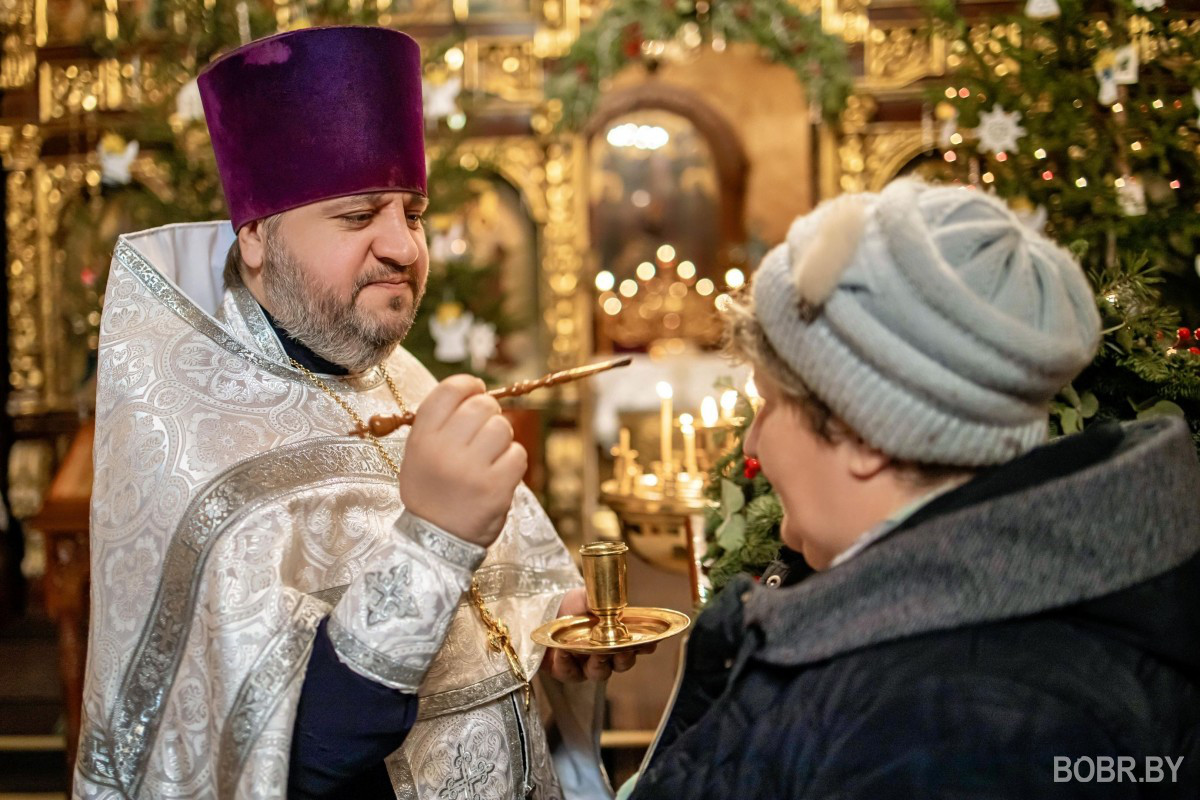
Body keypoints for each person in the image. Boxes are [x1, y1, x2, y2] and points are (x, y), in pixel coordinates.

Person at [77, 26, 637, 800]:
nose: (404, 246)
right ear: (255, 240)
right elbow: (294, 760)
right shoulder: (199, 449)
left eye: (412, 211)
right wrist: (435, 542)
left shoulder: (399, 378)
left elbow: (483, 627)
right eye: (357, 216)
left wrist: (551, 641)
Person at [628, 179, 1200, 798]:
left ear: (862, 430)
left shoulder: (957, 734)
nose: (751, 444)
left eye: (766, 404)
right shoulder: (961, 645)